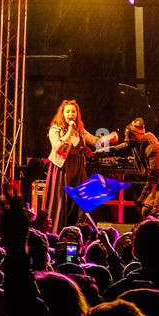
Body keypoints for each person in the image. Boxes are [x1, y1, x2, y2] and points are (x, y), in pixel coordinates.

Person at [44, 100, 115, 233]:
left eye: (73, 111)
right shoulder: (56, 129)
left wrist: (109, 138)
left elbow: (94, 141)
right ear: (63, 114)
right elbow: (58, 147)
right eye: (68, 111)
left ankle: (78, 231)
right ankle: (57, 232)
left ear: (77, 114)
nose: (71, 114)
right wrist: (69, 132)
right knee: (62, 201)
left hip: (77, 167)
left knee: (80, 200)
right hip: (62, 168)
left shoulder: (80, 130)